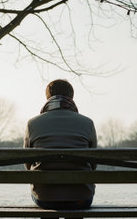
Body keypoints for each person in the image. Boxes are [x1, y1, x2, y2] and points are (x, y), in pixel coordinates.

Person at [24, 79, 97, 210]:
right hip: (81, 198)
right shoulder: (87, 123)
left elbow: (27, 164)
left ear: (48, 97)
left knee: (47, 197)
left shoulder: (32, 124)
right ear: (71, 96)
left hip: (45, 198)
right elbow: (94, 164)